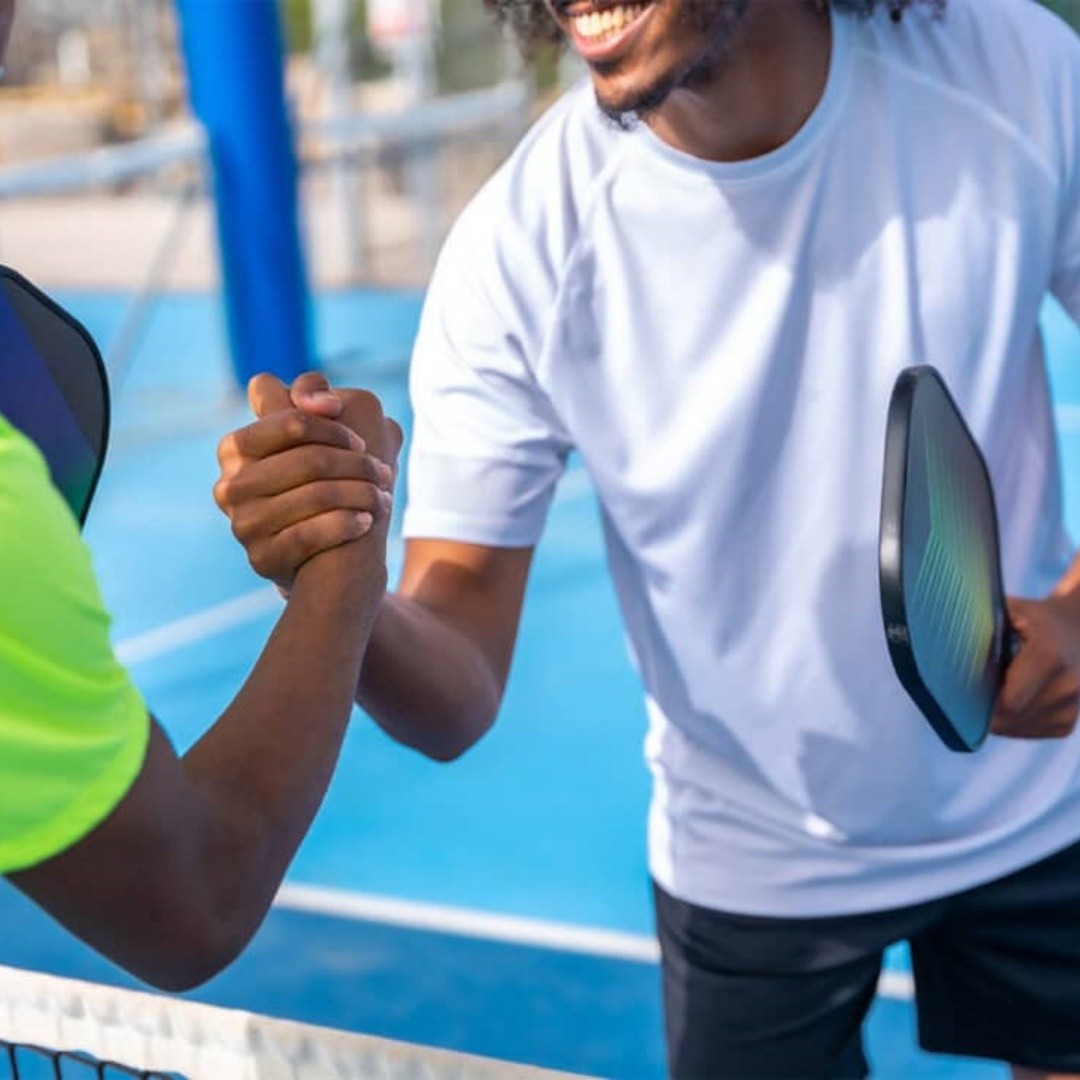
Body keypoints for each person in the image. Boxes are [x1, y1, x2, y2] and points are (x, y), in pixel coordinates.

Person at [214, 0, 1080, 1075]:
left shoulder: (1011, 65)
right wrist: (343, 580)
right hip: (750, 863)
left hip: (1046, 810)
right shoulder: (520, 246)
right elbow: (456, 694)